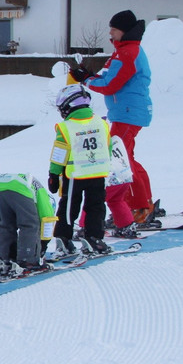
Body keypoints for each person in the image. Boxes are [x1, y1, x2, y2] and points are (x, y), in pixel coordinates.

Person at [70, 9, 154, 225]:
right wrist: (88, 75)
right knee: (127, 158)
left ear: (124, 31)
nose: (110, 35)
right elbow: (106, 77)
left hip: (128, 114)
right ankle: (143, 202)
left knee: (119, 159)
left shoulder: (128, 53)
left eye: (114, 30)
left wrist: (87, 81)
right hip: (125, 112)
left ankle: (138, 206)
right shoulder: (123, 51)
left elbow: (109, 85)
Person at [49, 85, 111, 255]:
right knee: (96, 207)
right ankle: (94, 239)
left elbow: (59, 153)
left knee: (69, 207)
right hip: (97, 173)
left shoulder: (65, 127)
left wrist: (54, 174)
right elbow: (108, 147)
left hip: (74, 176)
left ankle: (63, 239)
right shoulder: (101, 123)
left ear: (68, 107)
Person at [0, 172, 56, 278]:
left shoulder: (30, 185)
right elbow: (47, 218)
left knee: (5, 224)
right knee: (29, 225)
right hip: (19, 188)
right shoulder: (43, 195)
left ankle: (5, 259)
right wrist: (43, 244)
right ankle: (28, 261)